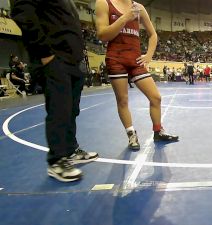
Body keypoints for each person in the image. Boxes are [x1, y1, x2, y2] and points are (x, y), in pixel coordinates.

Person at [12, 0, 99, 182]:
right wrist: (45, 53)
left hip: (72, 60)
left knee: (71, 110)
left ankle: (70, 150)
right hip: (54, 58)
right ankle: (56, 161)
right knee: (59, 109)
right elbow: (23, 13)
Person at [95, 0, 178, 150]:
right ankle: (131, 134)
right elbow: (102, 35)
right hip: (116, 59)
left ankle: (158, 131)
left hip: (135, 60)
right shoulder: (104, 2)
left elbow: (153, 34)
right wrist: (125, 18)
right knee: (123, 100)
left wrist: (149, 55)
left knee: (156, 97)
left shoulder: (139, 8)